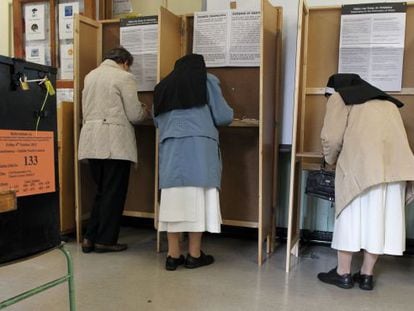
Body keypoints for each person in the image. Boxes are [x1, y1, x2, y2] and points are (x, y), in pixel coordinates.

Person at [317, 73, 414, 290]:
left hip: (362, 169)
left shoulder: (340, 98)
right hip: (395, 171)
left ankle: (343, 273)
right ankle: (367, 275)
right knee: (379, 221)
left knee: (349, 218)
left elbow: (331, 138)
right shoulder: (387, 102)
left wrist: (330, 159)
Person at [153, 54, 233, 270]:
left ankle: (173, 255)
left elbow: (157, 120)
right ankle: (194, 255)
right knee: (198, 200)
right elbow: (224, 116)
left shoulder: (163, 86)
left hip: (171, 149)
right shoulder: (206, 80)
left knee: (172, 200)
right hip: (199, 149)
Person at [78, 47, 147, 253]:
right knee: (114, 193)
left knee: (101, 191)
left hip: (91, 140)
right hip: (114, 142)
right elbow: (134, 115)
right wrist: (145, 110)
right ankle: (106, 241)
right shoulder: (123, 77)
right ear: (125, 62)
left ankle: (90, 237)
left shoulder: (90, 76)